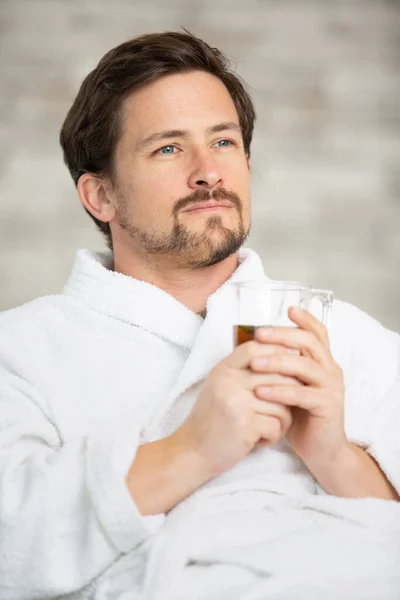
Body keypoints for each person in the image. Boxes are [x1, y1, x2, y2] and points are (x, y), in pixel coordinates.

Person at [0, 31, 399, 600]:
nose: (208, 172)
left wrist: (332, 453)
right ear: (100, 196)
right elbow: (11, 541)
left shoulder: (341, 337)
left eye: (223, 142)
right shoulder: (20, 351)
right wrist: (192, 449)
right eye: (168, 148)